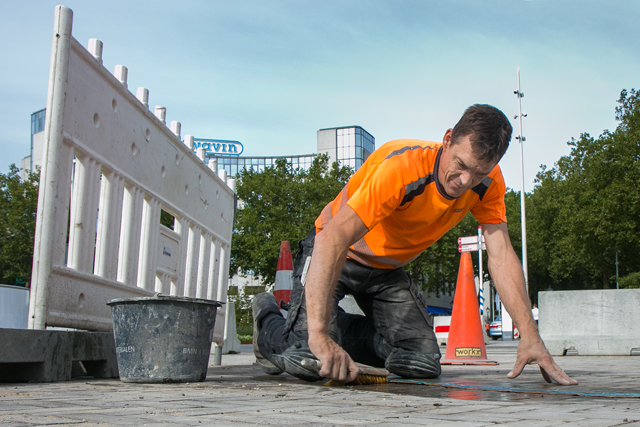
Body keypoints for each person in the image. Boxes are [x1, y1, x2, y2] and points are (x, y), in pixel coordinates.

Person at [253, 104, 578, 386]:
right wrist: (321, 334)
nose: (464, 181)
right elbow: (332, 238)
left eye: (478, 173)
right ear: (448, 138)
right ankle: (267, 316)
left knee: (419, 361)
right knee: (310, 360)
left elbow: (501, 255)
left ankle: (336, 335)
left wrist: (530, 335)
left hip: (384, 270)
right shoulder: (402, 167)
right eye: (461, 165)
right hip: (336, 252)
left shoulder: (489, 184)